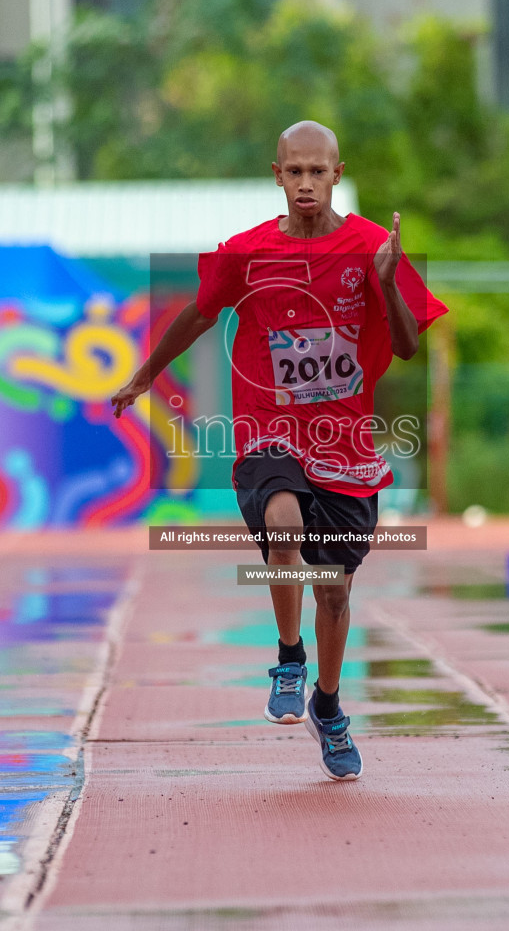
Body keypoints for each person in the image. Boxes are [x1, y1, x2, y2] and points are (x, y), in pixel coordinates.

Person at [111, 121, 446, 780]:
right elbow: (200, 314)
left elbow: (407, 346)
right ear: (277, 175)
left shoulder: (375, 247)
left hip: (344, 441)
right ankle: (288, 659)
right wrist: (146, 374)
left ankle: (327, 703)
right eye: (293, 172)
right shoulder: (247, 252)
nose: (305, 184)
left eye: (317, 172)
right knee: (283, 525)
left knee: (335, 593)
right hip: (269, 428)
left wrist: (383, 282)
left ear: (337, 174)